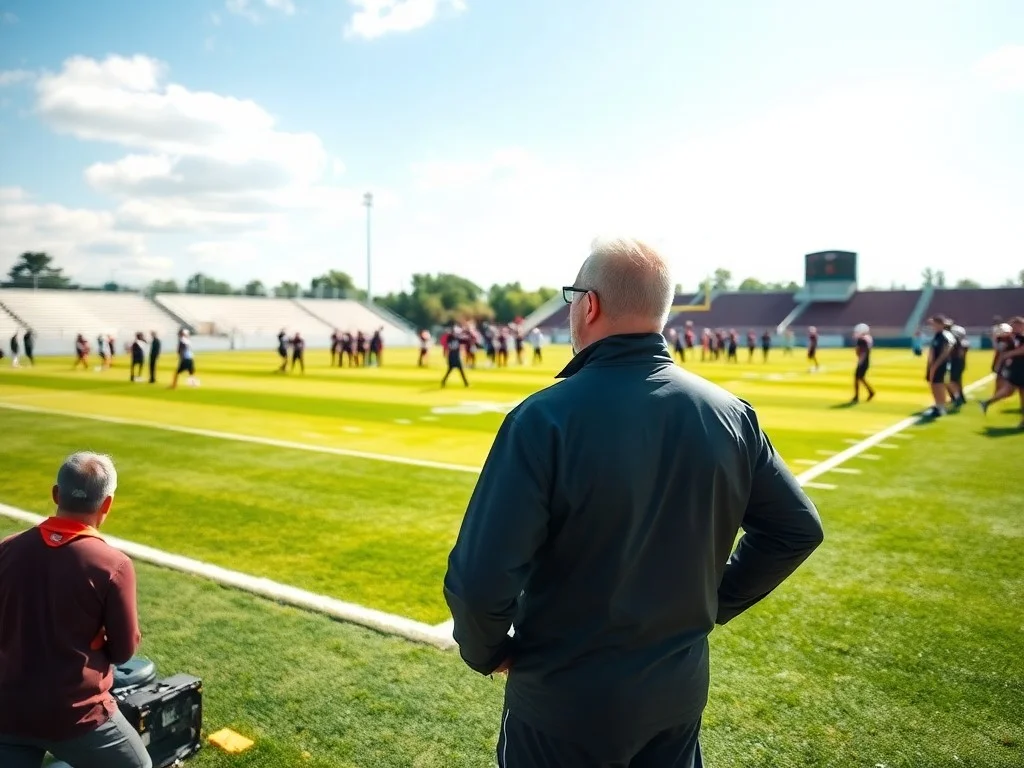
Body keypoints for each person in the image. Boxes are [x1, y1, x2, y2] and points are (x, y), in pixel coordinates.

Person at [444, 237, 823, 768]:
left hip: (562, 702)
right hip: (676, 695)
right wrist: (712, 604)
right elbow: (796, 529)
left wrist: (486, 651)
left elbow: (480, 579)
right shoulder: (731, 415)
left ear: (590, 303)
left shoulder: (543, 418)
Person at [0, 453, 150, 768]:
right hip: (75, 716)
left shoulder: (7, 548)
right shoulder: (113, 565)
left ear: (56, 494)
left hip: (8, 710)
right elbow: (123, 652)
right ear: (107, 504)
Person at [979, 317, 1024, 426]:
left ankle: (987, 402)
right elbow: (1000, 349)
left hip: (1018, 367)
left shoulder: (1017, 337)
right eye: (1013, 326)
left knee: (1012, 391)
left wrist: (1009, 354)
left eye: (1017, 325)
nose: (1015, 328)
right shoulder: (1010, 338)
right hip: (1017, 368)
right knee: (1012, 390)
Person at [924, 315, 955, 417]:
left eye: (934, 324)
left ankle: (941, 408)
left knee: (938, 385)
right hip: (934, 364)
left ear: (940, 324)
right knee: (934, 385)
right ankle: (938, 406)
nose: (932, 326)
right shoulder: (937, 335)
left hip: (939, 365)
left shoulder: (943, 336)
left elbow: (945, 352)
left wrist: (935, 365)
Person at [851, 323, 876, 403]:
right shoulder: (868, 338)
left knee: (857, 378)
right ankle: (870, 392)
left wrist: (860, 361)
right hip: (866, 361)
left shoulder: (862, 340)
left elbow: (861, 351)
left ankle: (857, 396)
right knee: (860, 378)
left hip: (863, 361)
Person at [946, 325, 969, 409]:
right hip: (959, 363)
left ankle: (957, 398)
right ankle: (959, 398)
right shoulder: (963, 342)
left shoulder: (957, 343)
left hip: (955, 363)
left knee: (951, 381)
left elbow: (957, 354)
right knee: (956, 382)